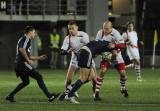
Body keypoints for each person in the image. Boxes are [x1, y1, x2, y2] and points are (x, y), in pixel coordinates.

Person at [6, 26, 59, 102]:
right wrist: (28, 60)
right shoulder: (26, 39)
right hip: (22, 64)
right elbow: (22, 50)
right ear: (30, 32)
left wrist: (39, 58)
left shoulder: (24, 39)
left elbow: (28, 55)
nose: (34, 34)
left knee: (26, 82)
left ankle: (10, 96)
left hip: (18, 64)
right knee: (39, 77)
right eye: (34, 32)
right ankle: (50, 96)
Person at [94, 21, 128, 101]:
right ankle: (96, 93)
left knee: (123, 74)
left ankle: (122, 88)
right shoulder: (100, 33)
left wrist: (115, 45)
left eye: (107, 29)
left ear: (111, 28)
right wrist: (97, 53)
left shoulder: (115, 33)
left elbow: (123, 44)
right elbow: (97, 44)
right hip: (107, 55)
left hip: (117, 56)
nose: (105, 30)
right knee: (102, 71)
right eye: (104, 28)